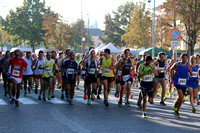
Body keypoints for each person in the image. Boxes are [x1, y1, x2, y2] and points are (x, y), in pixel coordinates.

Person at [170, 53, 192, 118]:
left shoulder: (188, 65)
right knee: (180, 95)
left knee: (181, 98)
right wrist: (171, 78)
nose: (185, 60)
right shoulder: (177, 64)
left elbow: (190, 73)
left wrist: (191, 73)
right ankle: (177, 110)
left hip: (184, 83)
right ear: (181, 58)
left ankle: (176, 108)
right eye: (183, 58)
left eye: (186, 58)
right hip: (177, 82)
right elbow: (171, 69)